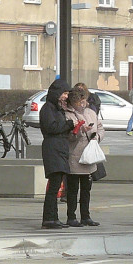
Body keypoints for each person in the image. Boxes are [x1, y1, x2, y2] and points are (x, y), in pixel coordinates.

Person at [63, 88, 103, 227]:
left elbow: (100, 128)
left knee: (86, 189)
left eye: (84, 101)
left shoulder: (91, 113)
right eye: (80, 102)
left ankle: (86, 216)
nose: (83, 104)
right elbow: (68, 136)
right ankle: (71, 216)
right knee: (73, 189)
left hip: (89, 155)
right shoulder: (68, 115)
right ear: (73, 102)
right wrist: (80, 131)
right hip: (75, 155)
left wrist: (96, 137)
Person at [39, 78, 74, 229]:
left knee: (56, 184)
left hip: (59, 149)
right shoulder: (48, 109)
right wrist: (67, 125)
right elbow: (51, 127)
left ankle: (54, 217)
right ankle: (49, 218)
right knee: (53, 186)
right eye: (64, 93)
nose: (66, 96)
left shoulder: (57, 109)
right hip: (53, 149)